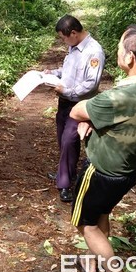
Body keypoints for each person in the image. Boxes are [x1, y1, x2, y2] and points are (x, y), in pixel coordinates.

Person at [69, 25, 136, 272]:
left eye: (120, 47)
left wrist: (90, 118)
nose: (117, 51)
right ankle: (93, 263)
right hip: (127, 171)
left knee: (86, 225)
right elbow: (126, 118)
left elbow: (77, 111)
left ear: (130, 58)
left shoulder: (120, 96)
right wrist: (97, 120)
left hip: (101, 170)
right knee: (101, 214)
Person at [44, 15, 105, 202]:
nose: (63, 42)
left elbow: (91, 83)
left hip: (79, 104)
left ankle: (65, 185)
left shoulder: (94, 51)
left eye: (64, 38)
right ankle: (65, 172)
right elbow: (68, 71)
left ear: (73, 33)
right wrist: (51, 74)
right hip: (64, 102)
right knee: (63, 139)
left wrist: (68, 91)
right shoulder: (73, 47)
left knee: (70, 140)